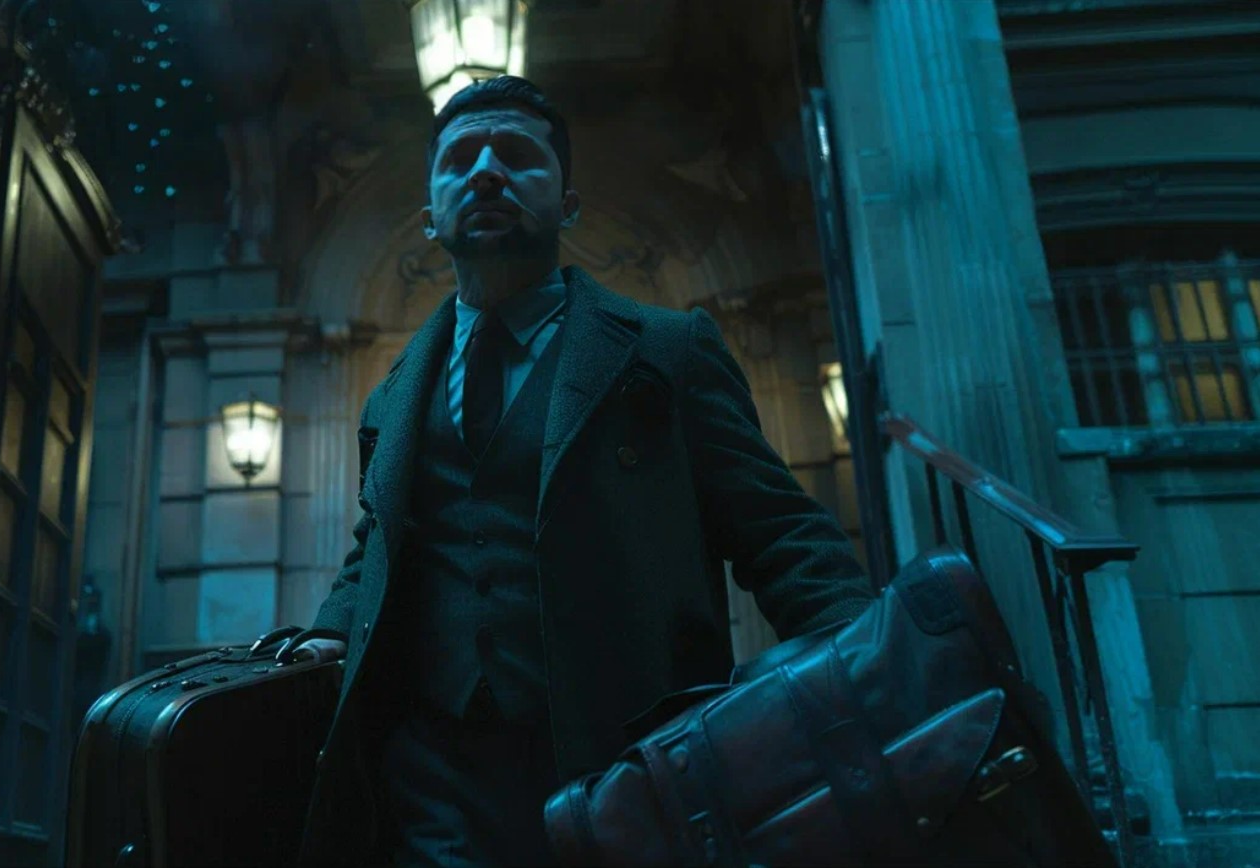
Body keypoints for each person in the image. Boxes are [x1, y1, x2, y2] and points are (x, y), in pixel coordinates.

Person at [291, 75, 877, 867]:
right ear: (430, 214)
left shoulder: (668, 351)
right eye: (460, 160)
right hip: (434, 781)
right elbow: (381, 541)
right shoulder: (394, 394)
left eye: (517, 155)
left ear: (567, 203)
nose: (487, 172)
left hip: (628, 766)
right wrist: (328, 633)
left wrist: (872, 659)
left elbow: (781, 534)